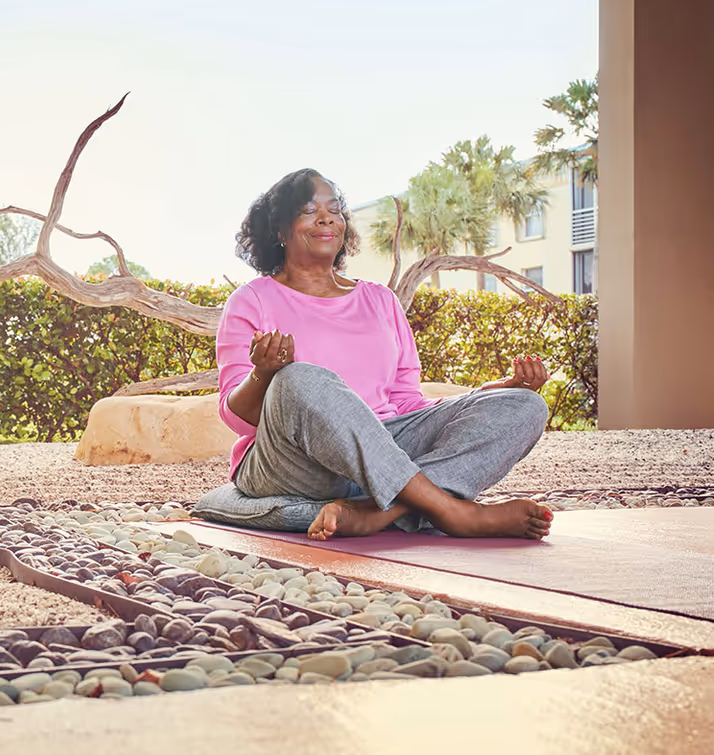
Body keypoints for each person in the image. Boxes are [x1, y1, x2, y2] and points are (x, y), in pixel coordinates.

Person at [215, 168, 553, 541]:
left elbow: (406, 402)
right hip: (292, 462)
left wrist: (489, 392)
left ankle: (378, 510)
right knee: (299, 378)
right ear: (279, 230)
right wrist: (264, 375)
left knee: (524, 405)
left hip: (386, 443)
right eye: (309, 210)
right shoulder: (251, 301)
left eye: (335, 209)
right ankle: (449, 511)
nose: (327, 218)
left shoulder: (381, 300)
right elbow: (238, 419)